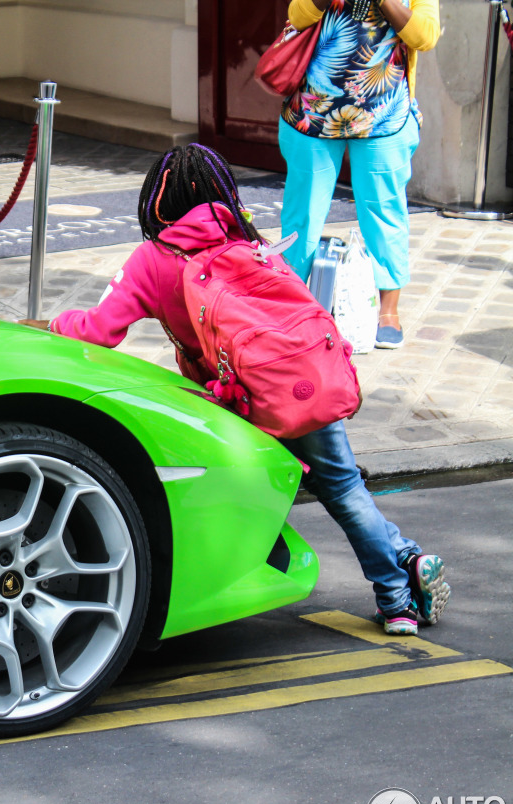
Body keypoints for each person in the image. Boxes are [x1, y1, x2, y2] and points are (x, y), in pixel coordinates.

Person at [23, 143, 450, 635]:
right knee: (342, 485)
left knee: (261, 491)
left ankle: (393, 588)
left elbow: (97, 331)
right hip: (302, 382)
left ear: (158, 203)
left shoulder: (153, 258)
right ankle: (402, 577)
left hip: (240, 403)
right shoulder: (247, 240)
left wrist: (49, 324)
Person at [278, 0, 441, 349]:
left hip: (384, 113)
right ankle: (291, 307)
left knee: (384, 210)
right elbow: (297, 15)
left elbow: (425, 36)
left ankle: (388, 311)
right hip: (314, 111)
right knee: (302, 213)